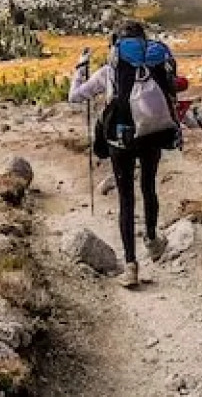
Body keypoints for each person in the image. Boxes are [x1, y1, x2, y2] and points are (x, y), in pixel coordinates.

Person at [70, 20, 184, 288]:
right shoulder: (154, 66)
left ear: (116, 45)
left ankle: (131, 265)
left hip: (120, 140)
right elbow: (173, 93)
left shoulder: (109, 71)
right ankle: (153, 240)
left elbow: (75, 96)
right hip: (152, 135)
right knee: (148, 186)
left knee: (126, 199)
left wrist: (80, 68)